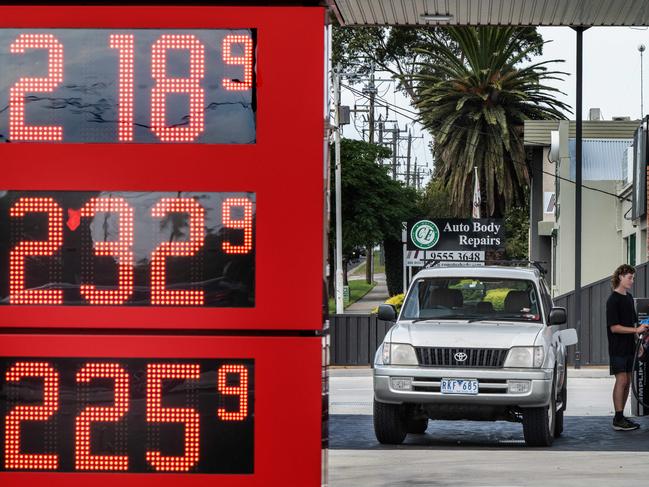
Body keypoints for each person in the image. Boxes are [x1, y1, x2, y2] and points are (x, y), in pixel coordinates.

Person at [606, 264, 649, 431]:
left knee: (628, 381)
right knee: (621, 380)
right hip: (617, 348)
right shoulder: (613, 300)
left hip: (630, 347)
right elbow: (614, 327)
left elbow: (631, 323)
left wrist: (637, 342)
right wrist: (636, 330)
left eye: (633, 278)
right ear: (620, 277)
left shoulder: (629, 298)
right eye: (629, 277)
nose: (632, 280)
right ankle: (617, 418)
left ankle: (621, 416)